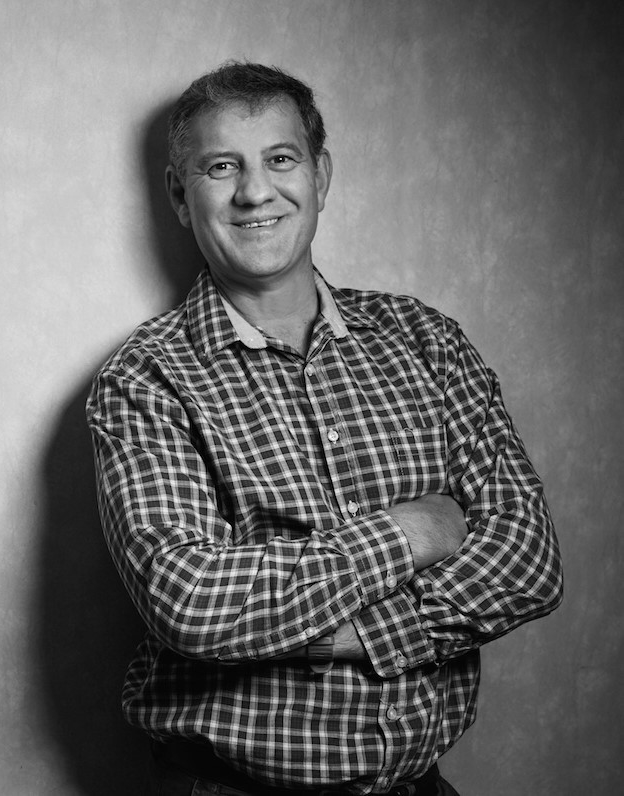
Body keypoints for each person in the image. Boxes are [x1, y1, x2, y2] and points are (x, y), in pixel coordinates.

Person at [86, 62, 563, 796]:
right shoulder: (146, 379)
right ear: (181, 196)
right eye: (222, 167)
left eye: (281, 158)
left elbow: (528, 562)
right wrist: (411, 532)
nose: (255, 191)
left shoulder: (427, 340)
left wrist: (346, 635)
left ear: (321, 175)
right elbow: (193, 603)